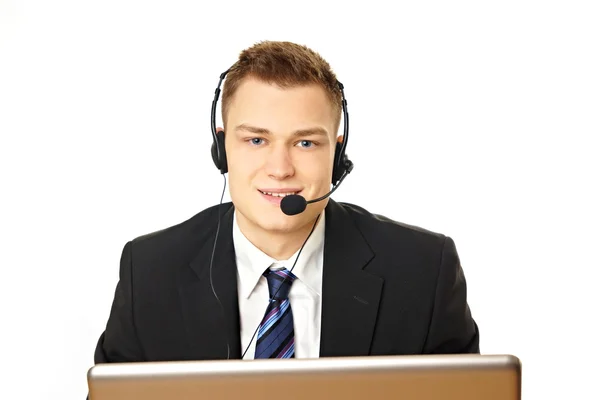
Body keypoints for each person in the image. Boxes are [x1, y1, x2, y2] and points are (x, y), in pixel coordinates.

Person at [93, 40, 479, 365]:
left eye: (305, 143)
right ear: (222, 149)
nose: (280, 169)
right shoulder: (149, 272)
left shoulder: (425, 270)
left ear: (338, 155)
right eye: (256, 140)